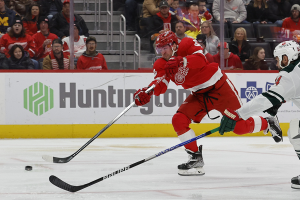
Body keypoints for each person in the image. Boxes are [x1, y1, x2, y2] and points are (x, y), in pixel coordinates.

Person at [133, 31, 268, 176]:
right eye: (159, 49)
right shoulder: (161, 63)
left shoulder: (186, 43)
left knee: (239, 127)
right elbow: (160, 84)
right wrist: (148, 92)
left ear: (173, 45)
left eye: (164, 48)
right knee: (179, 120)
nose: (161, 52)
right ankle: (195, 157)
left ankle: (267, 122)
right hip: (199, 94)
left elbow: (200, 60)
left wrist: (181, 61)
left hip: (219, 87)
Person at [218, 40, 300, 189]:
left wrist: (238, 114)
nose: (277, 63)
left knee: (296, 131)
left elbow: (266, 100)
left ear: (286, 57)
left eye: (278, 59)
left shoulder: (290, 75)